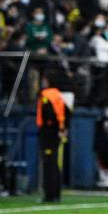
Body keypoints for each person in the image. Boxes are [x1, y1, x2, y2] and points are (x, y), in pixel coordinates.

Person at [37, 74, 71, 203]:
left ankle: (49, 195)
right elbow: (68, 112)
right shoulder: (59, 95)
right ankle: (56, 194)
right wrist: (64, 128)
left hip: (48, 133)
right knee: (55, 164)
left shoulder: (45, 95)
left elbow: (48, 113)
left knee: (48, 164)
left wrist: (54, 127)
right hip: (57, 133)